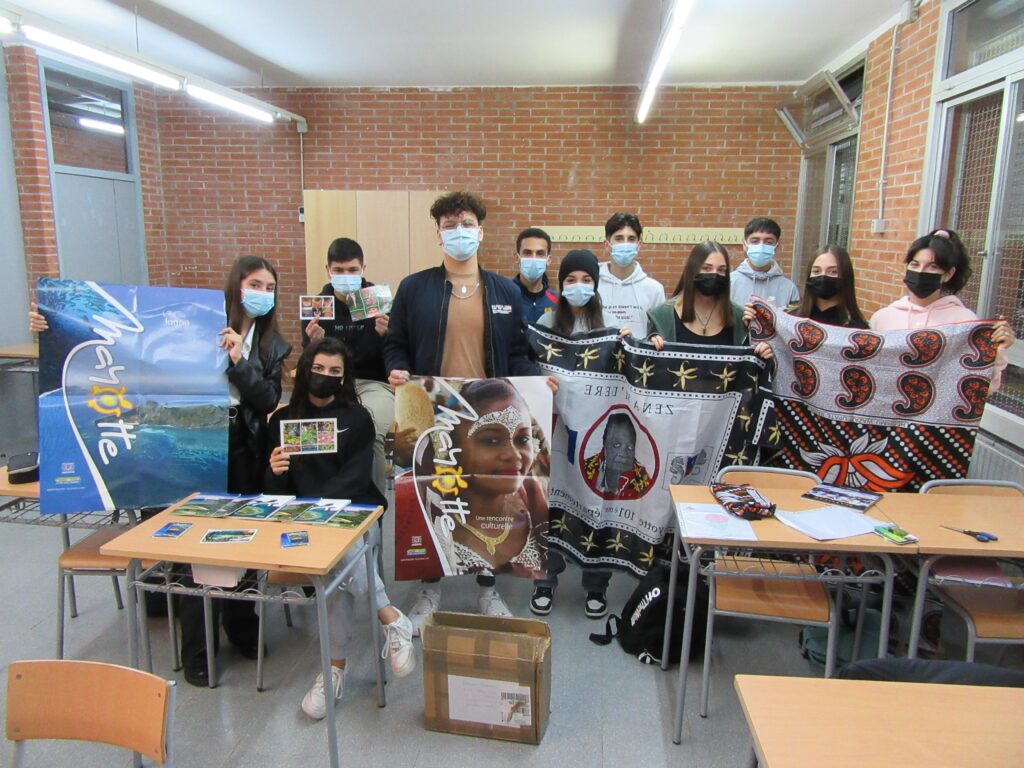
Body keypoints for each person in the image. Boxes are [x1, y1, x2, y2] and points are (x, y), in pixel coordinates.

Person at [30, 256, 292, 687]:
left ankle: (242, 626)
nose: (261, 292)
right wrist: (51, 326)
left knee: (242, 541)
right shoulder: (197, 325)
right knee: (194, 549)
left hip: (243, 447)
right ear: (236, 285)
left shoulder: (273, 345)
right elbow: (131, 344)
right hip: (192, 440)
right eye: (254, 283)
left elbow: (265, 400)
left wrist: (237, 360)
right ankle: (198, 650)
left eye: (269, 286)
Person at [384, 190, 544, 633]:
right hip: (435, 412)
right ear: (438, 234)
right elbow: (395, 343)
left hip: (488, 413)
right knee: (434, 496)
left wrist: (539, 382)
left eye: (467, 224)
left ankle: (488, 589)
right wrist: (396, 369)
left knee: (487, 500)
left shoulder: (505, 290)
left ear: (481, 232)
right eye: (450, 225)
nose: (459, 232)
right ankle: (430, 589)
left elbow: (519, 352)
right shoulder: (414, 288)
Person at [266, 336, 415, 720]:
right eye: (318, 369)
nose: (325, 376)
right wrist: (275, 472)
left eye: (335, 371)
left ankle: (333, 670)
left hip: (354, 513)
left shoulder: (357, 418)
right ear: (305, 371)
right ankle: (391, 617)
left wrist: (323, 515)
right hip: (302, 523)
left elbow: (355, 480)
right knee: (338, 560)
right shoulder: (282, 421)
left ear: (345, 377)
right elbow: (272, 494)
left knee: (339, 555)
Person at [531, 249, 628, 619]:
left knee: (596, 503)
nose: (578, 285)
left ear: (596, 284)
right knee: (549, 503)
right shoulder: (544, 322)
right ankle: (545, 580)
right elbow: (529, 365)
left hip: (595, 430)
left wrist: (638, 345)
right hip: (554, 428)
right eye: (570, 279)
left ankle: (596, 584)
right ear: (561, 284)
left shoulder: (612, 325)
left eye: (586, 280)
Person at [396, 378, 548, 578]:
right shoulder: (434, 521)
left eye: (522, 439)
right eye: (491, 440)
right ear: (454, 447)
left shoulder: (536, 518)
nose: (514, 455)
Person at [303, 237, 393, 496]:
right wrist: (314, 345)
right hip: (332, 382)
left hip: (374, 384)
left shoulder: (377, 301)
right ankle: (318, 497)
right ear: (328, 270)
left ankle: (373, 506)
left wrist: (388, 335)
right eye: (339, 270)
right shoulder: (317, 306)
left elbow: (397, 352)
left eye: (352, 270)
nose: (346, 276)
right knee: (313, 430)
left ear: (363, 269)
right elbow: (308, 363)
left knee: (369, 430)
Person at [870, 228, 1014, 384]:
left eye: (932, 267)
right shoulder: (881, 318)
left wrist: (998, 351)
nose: (921, 272)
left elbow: (979, 385)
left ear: (948, 274)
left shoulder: (965, 321)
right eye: (915, 264)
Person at [648, 241, 754, 347]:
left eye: (721, 270)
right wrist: (651, 344)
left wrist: (756, 337)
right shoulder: (662, 317)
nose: (714, 274)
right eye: (706, 268)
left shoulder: (739, 318)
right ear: (692, 271)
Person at [597, 212, 666, 332]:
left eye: (631, 239)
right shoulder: (593, 286)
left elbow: (660, 333)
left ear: (639, 245)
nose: (625, 244)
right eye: (619, 239)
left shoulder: (654, 290)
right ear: (607, 245)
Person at [788, 244, 868, 328]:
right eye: (816, 271)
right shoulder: (791, 318)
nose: (823, 276)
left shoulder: (856, 328)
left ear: (845, 276)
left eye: (833, 272)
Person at [729, 217, 800, 309]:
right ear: (744, 245)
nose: (761, 246)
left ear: (776, 246)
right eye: (755, 241)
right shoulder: (730, 282)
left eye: (769, 242)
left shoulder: (789, 288)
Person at [513, 227, 558, 326]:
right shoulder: (503, 297)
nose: (534, 258)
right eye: (527, 253)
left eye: (540, 254)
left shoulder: (557, 302)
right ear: (517, 258)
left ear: (548, 260)